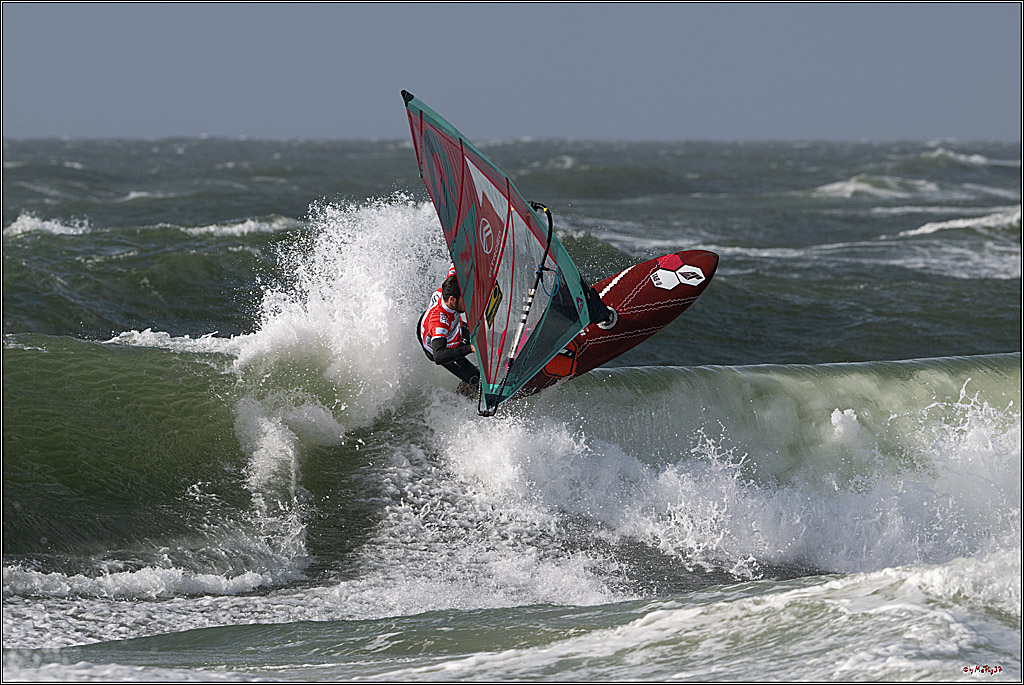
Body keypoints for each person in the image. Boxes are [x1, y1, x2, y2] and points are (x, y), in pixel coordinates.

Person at [419, 274, 480, 388]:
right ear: (452, 300)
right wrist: (469, 349)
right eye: (465, 300)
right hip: (439, 348)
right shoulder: (440, 324)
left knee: (480, 337)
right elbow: (439, 356)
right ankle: (467, 390)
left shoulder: (451, 286)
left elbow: (457, 262)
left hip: (452, 328)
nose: (469, 302)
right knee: (476, 379)